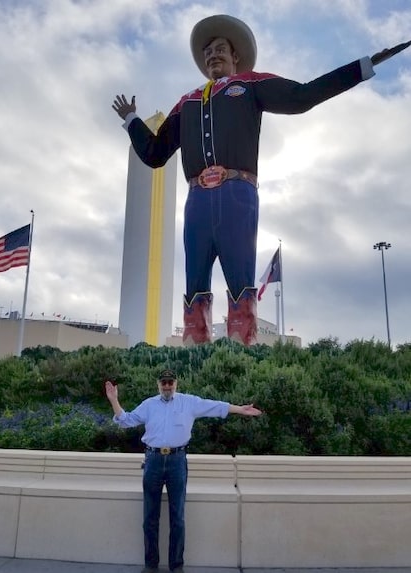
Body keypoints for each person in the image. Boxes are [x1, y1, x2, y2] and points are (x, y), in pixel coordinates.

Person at [112, 14, 403, 347]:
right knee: (194, 287)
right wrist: (133, 120)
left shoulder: (250, 84)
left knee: (240, 282)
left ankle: (239, 358)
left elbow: (301, 96)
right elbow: (154, 153)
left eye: (220, 49)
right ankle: (194, 357)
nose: (212, 56)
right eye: (207, 52)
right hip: (197, 201)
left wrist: (362, 67)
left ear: (235, 56)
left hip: (238, 193)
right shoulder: (187, 103)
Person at [105, 369, 262, 573]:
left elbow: (214, 406)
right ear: (158, 384)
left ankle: (176, 566)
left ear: (176, 383)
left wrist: (240, 409)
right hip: (152, 461)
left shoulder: (189, 402)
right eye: (164, 382)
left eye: (171, 382)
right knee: (149, 517)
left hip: (177, 461)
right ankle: (151, 566)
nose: (167, 386)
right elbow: (126, 420)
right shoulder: (149, 404)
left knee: (177, 517)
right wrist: (113, 400)